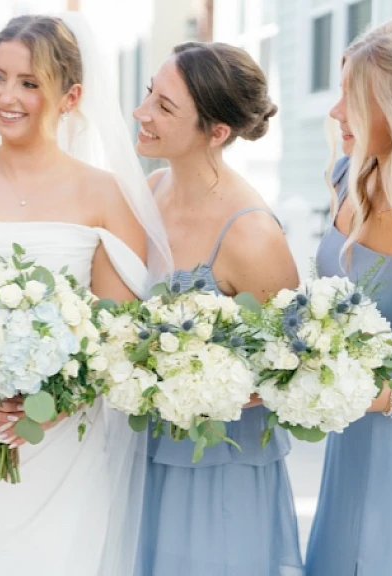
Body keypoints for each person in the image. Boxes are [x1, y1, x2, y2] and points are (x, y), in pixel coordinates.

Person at [0, 14, 171, 576]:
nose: (6, 96)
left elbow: (115, 337)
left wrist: (48, 409)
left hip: (61, 450)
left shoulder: (106, 196)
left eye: (29, 83)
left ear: (70, 96)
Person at [132, 42, 303, 575]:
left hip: (218, 467)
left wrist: (215, 386)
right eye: (148, 96)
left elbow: (296, 362)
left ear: (218, 132)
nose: (143, 113)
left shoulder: (251, 232)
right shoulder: (152, 188)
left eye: (165, 107)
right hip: (144, 452)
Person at [306, 19, 392, 575]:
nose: (334, 110)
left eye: (352, 95)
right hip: (347, 442)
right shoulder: (347, 177)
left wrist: (326, 391)